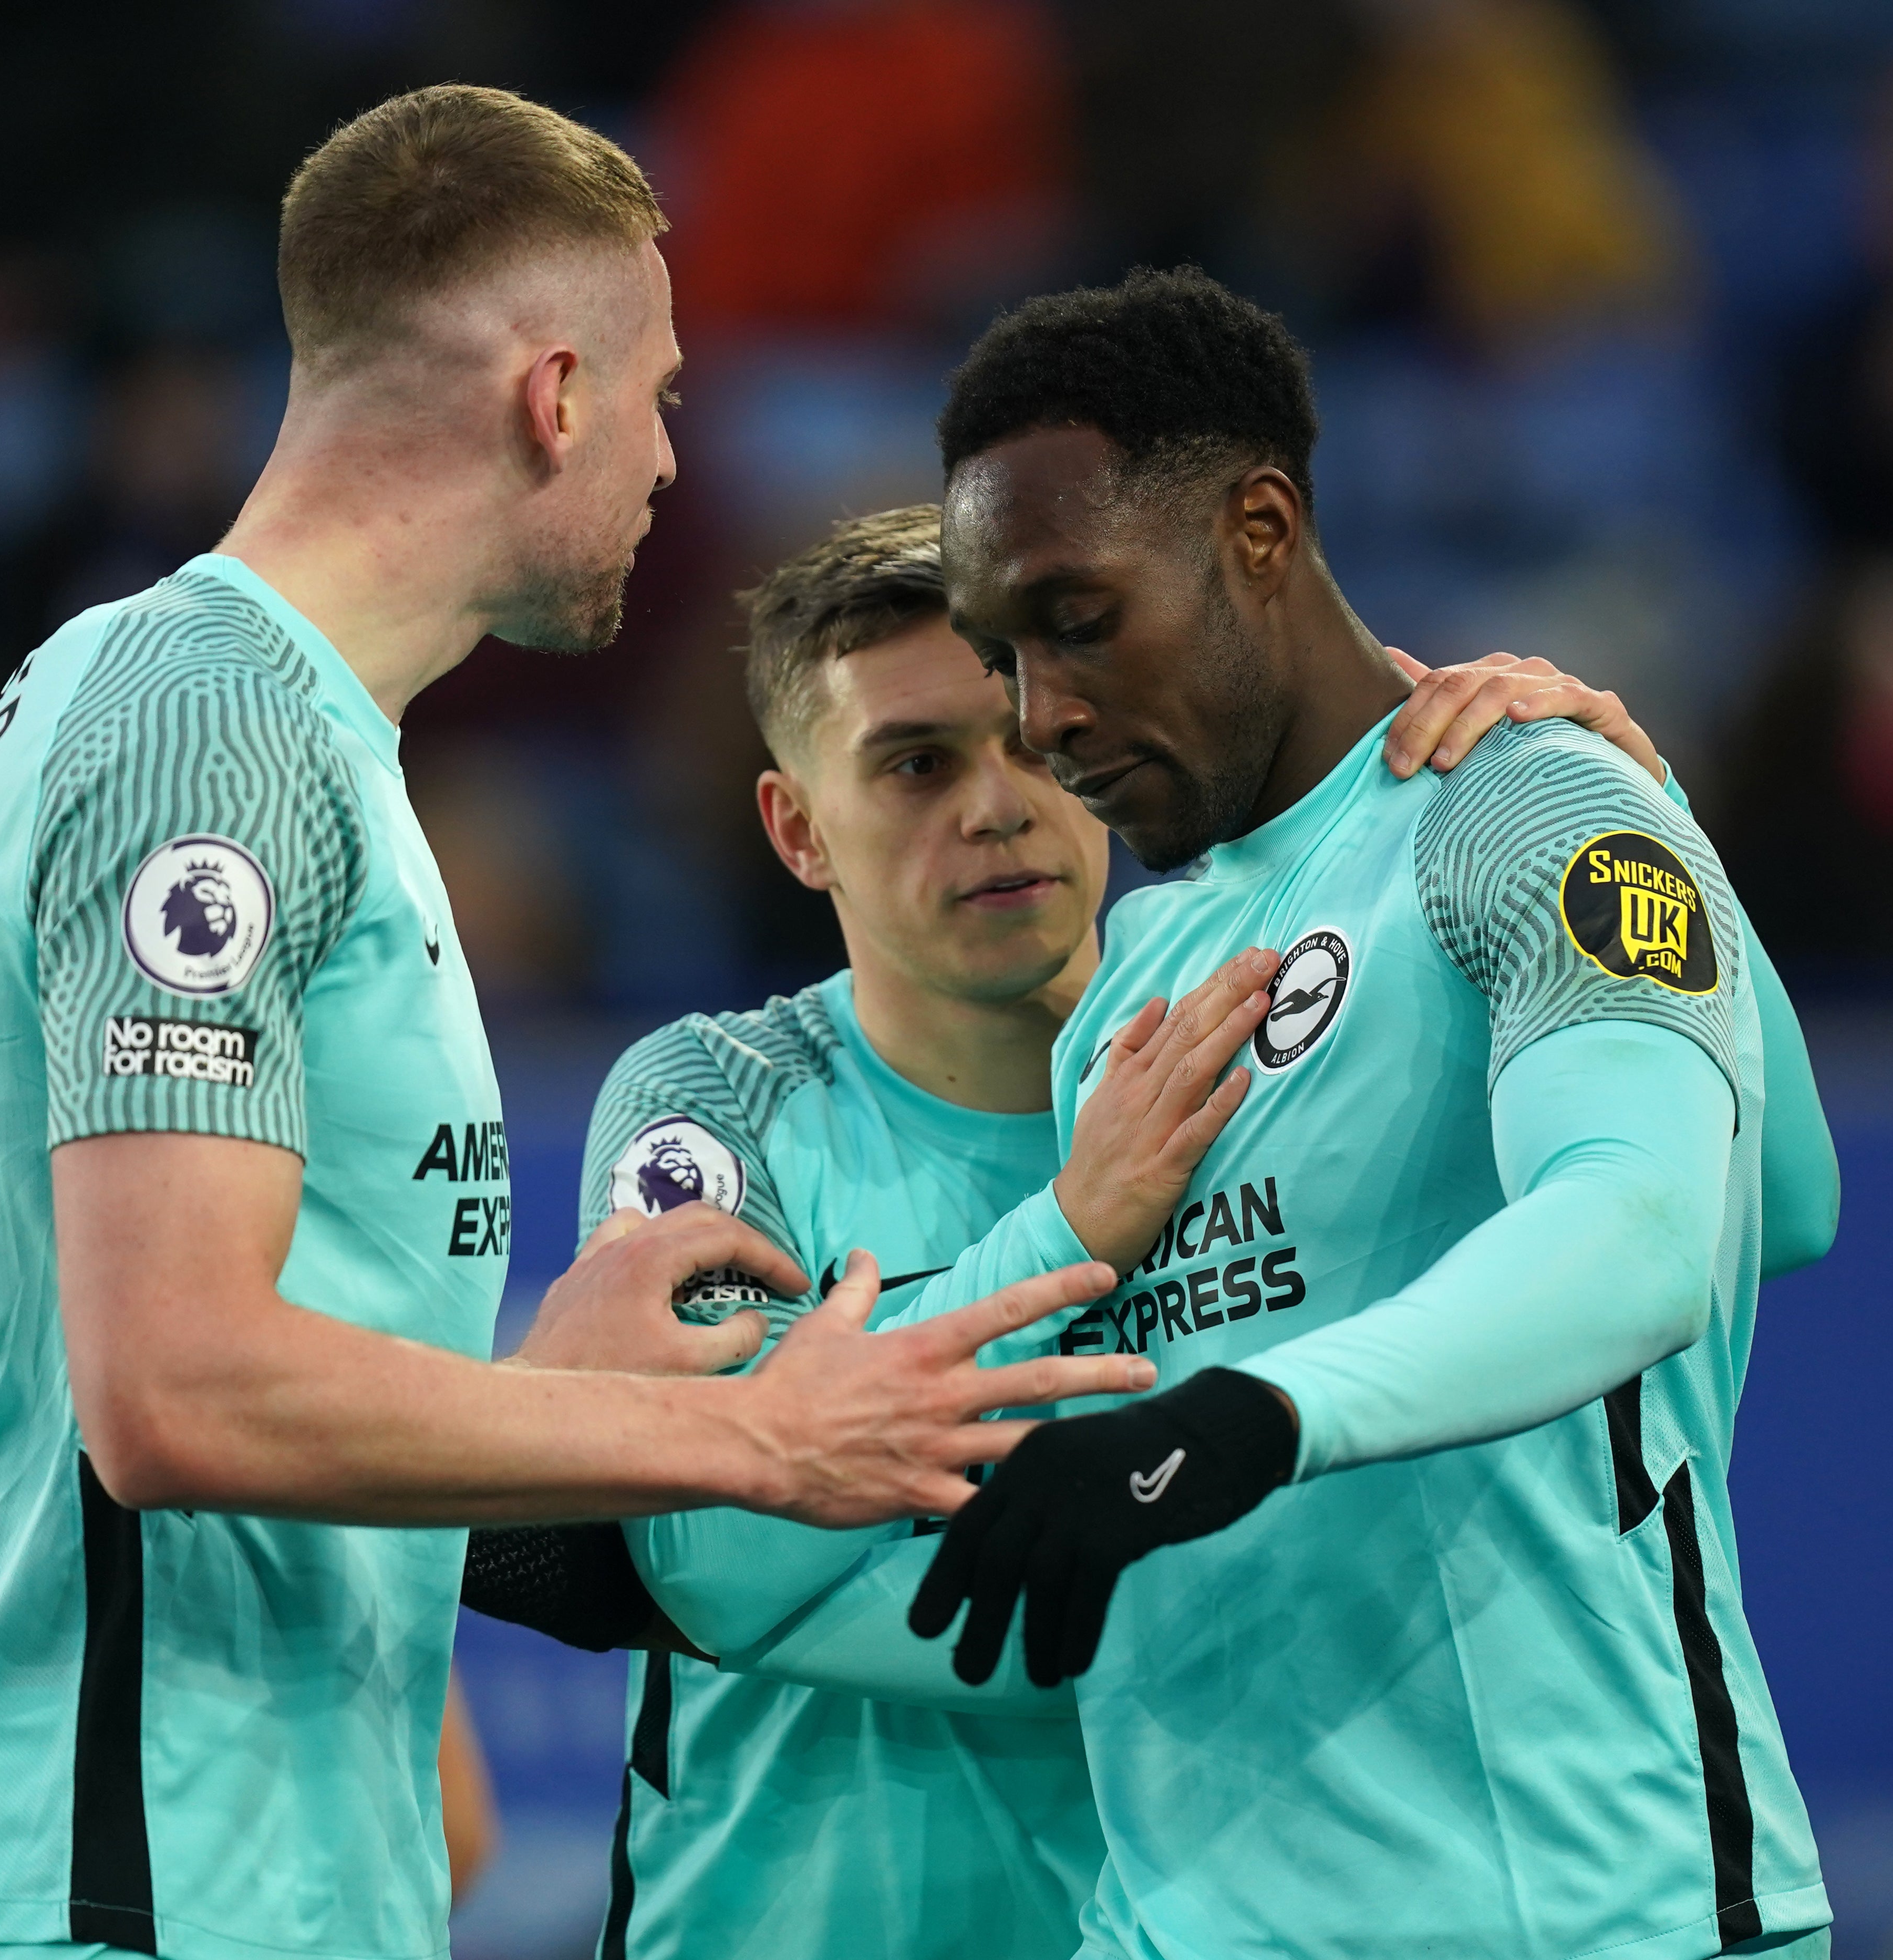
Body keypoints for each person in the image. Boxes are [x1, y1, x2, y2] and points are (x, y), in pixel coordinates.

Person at [0, 84, 1148, 1960]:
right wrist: (758, 1443)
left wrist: (561, 1397)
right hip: (101, 1883)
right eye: (656, 391)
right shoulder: (215, 740)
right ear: (549, 394)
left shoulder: (238, 719)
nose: (669, 455)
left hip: (188, 1872)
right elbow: (169, 1390)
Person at [803, 267, 1835, 1958]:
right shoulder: (1137, 967)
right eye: (1004, 654)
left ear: (1260, 529)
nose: (1041, 717)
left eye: (1079, 619)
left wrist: (1252, 1416)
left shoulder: (1515, 804)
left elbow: (1671, 1225)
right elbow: (1782, 1206)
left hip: (1574, 1908)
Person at [556, 503, 1680, 1958]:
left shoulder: (1269, 1050)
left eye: (1024, 736)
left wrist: (1614, 809)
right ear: (796, 829)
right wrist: (1068, 1231)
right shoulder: (718, 1103)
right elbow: (706, 1544)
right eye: (913, 764)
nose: (994, 804)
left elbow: (1734, 1212)